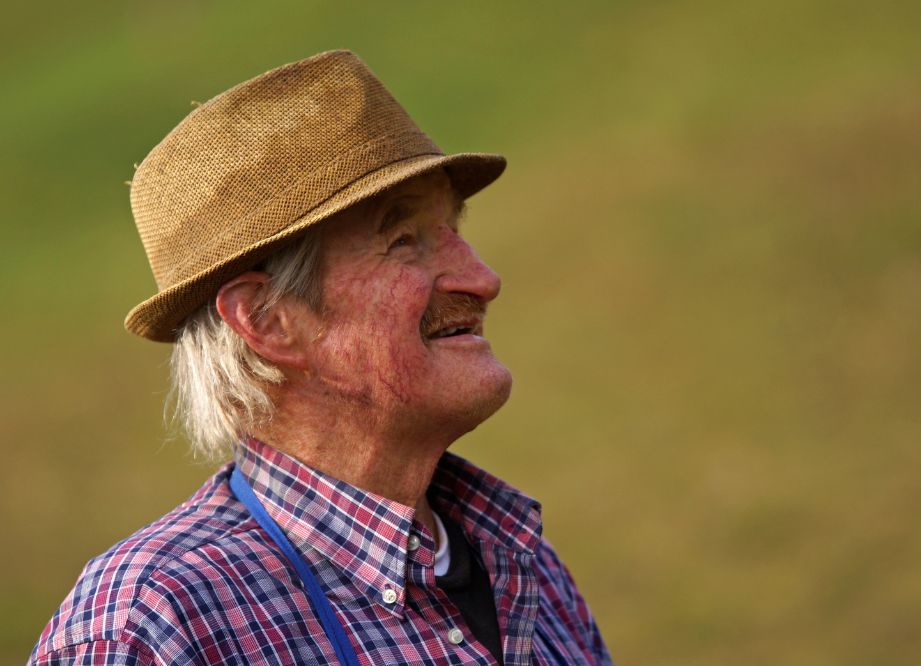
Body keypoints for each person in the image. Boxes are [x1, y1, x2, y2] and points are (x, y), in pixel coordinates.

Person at [30, 51, 611, 665]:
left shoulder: (523, 565)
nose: (482, 278)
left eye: (454, 230)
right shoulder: (153, 622)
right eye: (403, 240)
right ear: (268, 320)